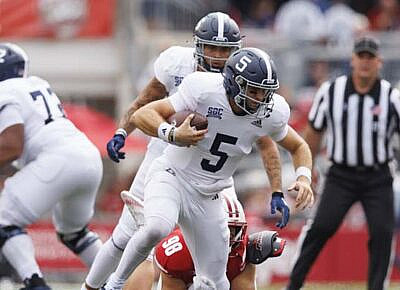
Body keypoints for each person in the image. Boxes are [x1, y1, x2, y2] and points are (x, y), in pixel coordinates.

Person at [82, 12, 285, 290]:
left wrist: (277, 189)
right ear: (198, 46)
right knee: (128, 234)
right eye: (212, 48)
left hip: (213, 171)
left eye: (225, 50)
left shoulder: (244, 83)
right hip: (166, 157)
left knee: (230, 236)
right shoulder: (177, 63)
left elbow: (266, 140)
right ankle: (92, 287)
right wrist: (123, 131)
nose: (217, 57)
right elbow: (145, 102)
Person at [103, 47, 314, 290]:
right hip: (173, 176)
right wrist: (172, 134)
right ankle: (114, 284)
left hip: (209, 194)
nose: (259, 99)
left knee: (215, 284)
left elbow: (298, 146)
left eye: (265, 92)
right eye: (253, 90)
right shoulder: (204, 89)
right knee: (157, 228)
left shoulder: (272, 111)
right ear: (234, 84)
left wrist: (304, 177)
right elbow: (143, 114)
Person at [287, 36, 399, 290]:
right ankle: (293, 284)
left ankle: (376, 287)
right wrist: (307, 172)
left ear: (379, 62)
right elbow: (313, 133)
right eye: (361, 56)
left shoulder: (391, 97)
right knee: (320, 228)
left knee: (382, 233)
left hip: (378, 176)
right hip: (341, 175)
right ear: (353, 60)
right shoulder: (331, 92)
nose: (365, 62)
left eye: (371, 57)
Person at [0, 43, 103, 290]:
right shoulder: (35, 83)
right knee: (74, 233)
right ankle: (116, 281)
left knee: (3, 219)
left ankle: (34, 283)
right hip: (87, 157)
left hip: (58, 161)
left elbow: (12, 144)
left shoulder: (4, 91)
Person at [153, 193, 286, 290]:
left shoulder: (244, 250)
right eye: (222, 229)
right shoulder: (179, 251)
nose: (226, 236)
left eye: (233, 229)